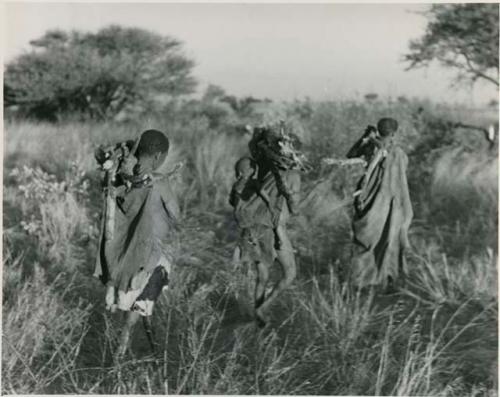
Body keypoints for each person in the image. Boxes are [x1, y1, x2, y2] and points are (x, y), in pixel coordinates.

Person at [94, 129, 180, 359]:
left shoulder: (120, 177)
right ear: (158, 157)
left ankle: (151, 346)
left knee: (141, 306)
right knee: (138, 308)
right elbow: (176, 216)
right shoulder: (158, 184)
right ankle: (120, 356)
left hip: (121, 257)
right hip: (147, 258)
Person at [231, 124, 302, 328]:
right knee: (290, 274)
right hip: (276, 230)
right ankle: (263, 308)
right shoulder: (293, 175)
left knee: (262, 276)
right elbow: (293, 209)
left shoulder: (265, 170)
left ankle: (256, 317)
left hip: (258, 229)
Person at [346, 118, 413, 292]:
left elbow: (351, 155)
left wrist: (365, 138)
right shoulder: (398, 153)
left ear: (378, 130)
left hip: (368, 201)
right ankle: (385, 279)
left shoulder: (372, 147)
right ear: (393, 133)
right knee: (388, 239)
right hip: (389, 203)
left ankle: (363, 281)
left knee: (367, 240)